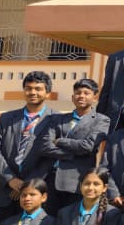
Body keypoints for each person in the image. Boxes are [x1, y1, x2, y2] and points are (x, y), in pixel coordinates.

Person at [0, 70, 56, 222]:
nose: (33, 92)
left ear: (47, 93)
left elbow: (51, 158)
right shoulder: (7, 118)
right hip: (5, 192)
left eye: (38, 89)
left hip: (36, 195)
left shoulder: (56, 120)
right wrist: (11, 180)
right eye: (28, 88)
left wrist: (25, 186)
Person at [36, 76, 109, 216]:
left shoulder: (101, 120)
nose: (81, 96)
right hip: (50, 180)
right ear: (72, 97)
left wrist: (60, 141)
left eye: (86, 93)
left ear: (95, 98)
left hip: (76, 181)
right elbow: (44, 146)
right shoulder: (58, 119)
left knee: (69, 221)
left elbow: (87, 146)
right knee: (47, 221)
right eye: (78, 93)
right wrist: (70, 154)